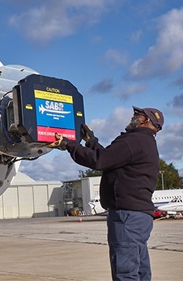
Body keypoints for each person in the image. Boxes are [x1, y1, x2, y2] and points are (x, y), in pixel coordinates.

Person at [48, 106, 164, 281]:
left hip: (127, 216)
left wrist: (68, 144)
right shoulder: (145, 142)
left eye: (137, 115)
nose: (133, 116)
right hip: (139, 216)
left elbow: (100, 160)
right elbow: (110, 158)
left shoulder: (135, 140)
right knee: (139, 269)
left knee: (125, 272)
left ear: (147, 121)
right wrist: (91, 141)